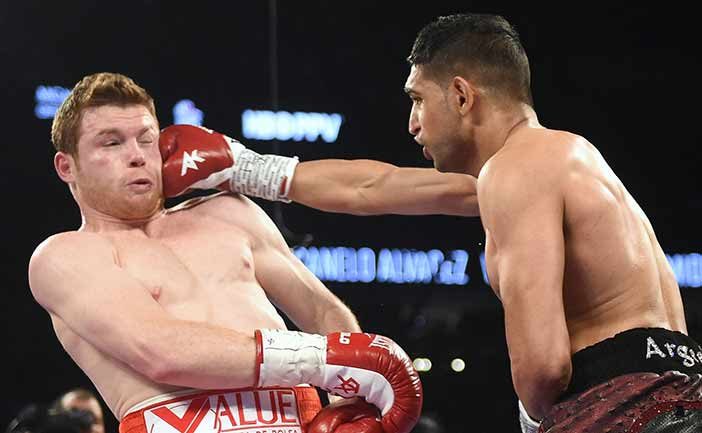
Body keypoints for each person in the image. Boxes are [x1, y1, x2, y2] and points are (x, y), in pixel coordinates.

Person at [27, 72, 424, 433]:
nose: (137, 154)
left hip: (297, 416)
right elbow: (162, 352)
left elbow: (321, 312)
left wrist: (351, 404)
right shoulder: (67, 256)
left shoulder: (231, 213)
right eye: (111, 142)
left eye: (146, 138)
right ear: (67, 167)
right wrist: (327, 359)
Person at [402, 12, 702, 432]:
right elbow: (371, 187)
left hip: (624, 407)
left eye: (417, 99)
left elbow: (542, 365)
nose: (412, 123)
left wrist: (536, 416)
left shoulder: (512, 168)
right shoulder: (574, 157)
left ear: (461, 96)